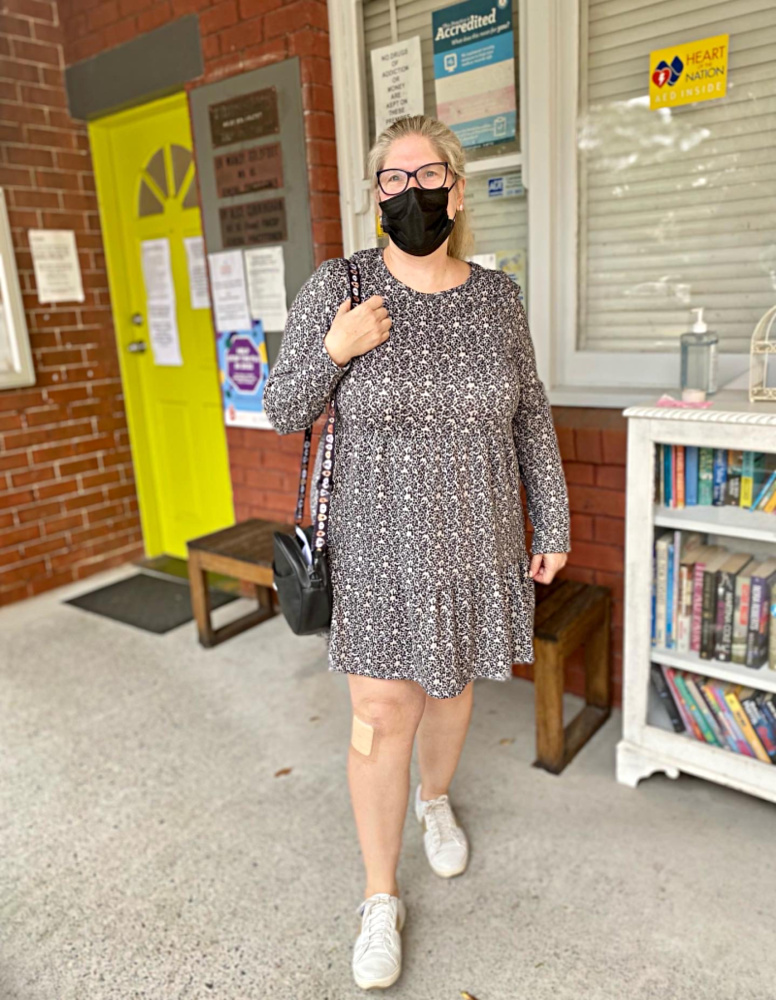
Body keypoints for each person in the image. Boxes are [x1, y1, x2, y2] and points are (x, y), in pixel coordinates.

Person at [262, 114, 571, 991]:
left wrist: (550, 520)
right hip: (378, 544)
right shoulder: (343, 287)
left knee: (450, 691)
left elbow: (531, 413)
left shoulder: (497, 299)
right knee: (382, 713)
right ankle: (377, 897)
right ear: (375, 198)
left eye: (424, 176)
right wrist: (335, 348)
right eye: (390, 181)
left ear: (457, 189)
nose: (408, 193)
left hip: (476, 538)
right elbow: (284, 408)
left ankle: (435, 801)